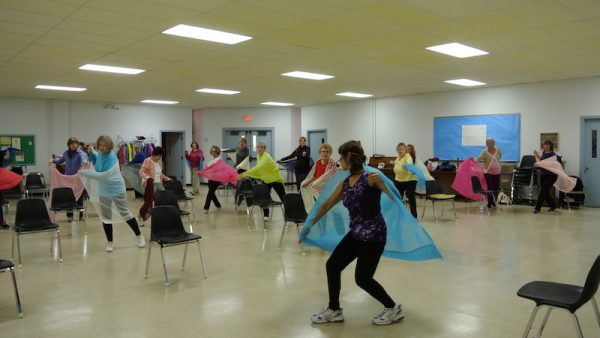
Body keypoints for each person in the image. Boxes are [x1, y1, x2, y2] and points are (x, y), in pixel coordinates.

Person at [300, 140, 403, 325]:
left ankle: (393, 308)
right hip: (356, 233)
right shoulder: (346, 182)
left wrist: (382, 184)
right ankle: (334, 309)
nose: (339, 160)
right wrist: (307, 226)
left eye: (341, 156)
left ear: (349, 157)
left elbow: (396, 198)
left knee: (362, 278)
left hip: (374, 235)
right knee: (333, 266)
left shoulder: (371, 177)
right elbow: (325, 205)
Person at [80, 135, 145, 252]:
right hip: (104, 190)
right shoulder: (100, 153)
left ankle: (140, 236)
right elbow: (97, 158)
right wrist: (92, 151)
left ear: (109, 146)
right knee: (106, 217)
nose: (102, 147)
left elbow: (103, 175)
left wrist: (84, 173)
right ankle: (109, 242)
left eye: (104, 145)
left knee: (125, 213)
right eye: (100, 145)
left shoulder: (111, 156)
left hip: (116, 189)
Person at [239, 141, 285, 219]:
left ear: (265, 149)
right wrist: (247, 174)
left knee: (283, 197)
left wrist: (244, 174)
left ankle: (288, 213)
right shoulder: (258, 156)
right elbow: (260, 170)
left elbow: (258, 168)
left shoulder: (266, 157)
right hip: (266, 179)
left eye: (261, 147)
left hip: (275, 179)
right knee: (264, 197)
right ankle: (266, 215)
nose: (259, 149)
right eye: (258, 147)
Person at [50, 137, 88, 222]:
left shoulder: (81, 153)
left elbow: (83, 161)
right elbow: (60, 161)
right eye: (72, 143)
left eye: (75, 143)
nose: (74, 145)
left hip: (78, 178)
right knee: (69, 196)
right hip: (68, 179)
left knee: (79, 197)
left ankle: (80, 215)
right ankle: (69, 216)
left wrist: (84, 164)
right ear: (69, 145)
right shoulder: (66, 153)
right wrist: (52, 161)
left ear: (77, 144)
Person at [300, 143, 338, 211]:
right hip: (317, 189)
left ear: (330, 153)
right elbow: (314, 176)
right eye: (323, 151)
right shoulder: (318, 162)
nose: (325, 153)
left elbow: (334, 180)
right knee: (318, 209)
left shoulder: (333, 164)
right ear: (320, 153)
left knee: (327, 210)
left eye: (327, 152)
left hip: (328, 192)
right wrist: (306, 182)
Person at [138, 146, 171, 221]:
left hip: (159, 184)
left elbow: (160, 174)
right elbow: (141, 171)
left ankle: (157, 217)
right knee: (148, 203)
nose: (160, 158)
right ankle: (140, 218)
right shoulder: (148, 160)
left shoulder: (157, 163)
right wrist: (147, 177)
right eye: (159, 156)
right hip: (151, 185)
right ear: (156, 154)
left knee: (161, 200)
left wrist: (167, 178)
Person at [393, 143, 418, 218]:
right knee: (397, 197)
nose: (400, 151)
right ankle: (399, 215)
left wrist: (407, 165)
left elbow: (409, 163)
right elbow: (396, 165)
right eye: (399, 149)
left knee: (410, 196)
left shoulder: (408, 156)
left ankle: (414, 216)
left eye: (402, 149)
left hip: (410, 180)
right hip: (399, 179)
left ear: (405, 150)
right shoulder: (398, 157)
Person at [476, 138, 502, 208]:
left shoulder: (498, 150)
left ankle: (494, 201)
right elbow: (479, 159)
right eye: (487, 143)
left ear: (493, 144)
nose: (489, 145)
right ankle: (490, 203)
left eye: (490, 143)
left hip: (497, 172)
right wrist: (473, 159)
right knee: (490, 187)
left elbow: (500, 157)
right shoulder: (484, 152)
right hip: (488, 172)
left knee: (496, 187)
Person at [533, 140, 558, 214]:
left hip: (551, 176)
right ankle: (553, 205)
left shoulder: (553, 155)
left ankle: (537, 208)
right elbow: (542, 160)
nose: (546, 146)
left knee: (543, 191)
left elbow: (548, 164)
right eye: (544, 145)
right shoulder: (544, 152)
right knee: (545, 192)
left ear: (550, 146)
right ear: (543, 146)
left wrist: (538, 164)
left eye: (547, 145)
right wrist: (536, 155)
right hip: (543, 175)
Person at [202, 146, 224, 213]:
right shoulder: (212, 159)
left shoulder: (218, 160)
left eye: (214, 151)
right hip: (211, 178)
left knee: (210, 193)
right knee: (212, 193)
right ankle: (218, 205)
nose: (213, 153)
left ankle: (206, 208)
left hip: (216, 179)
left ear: (217, 152)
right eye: (212, 151)